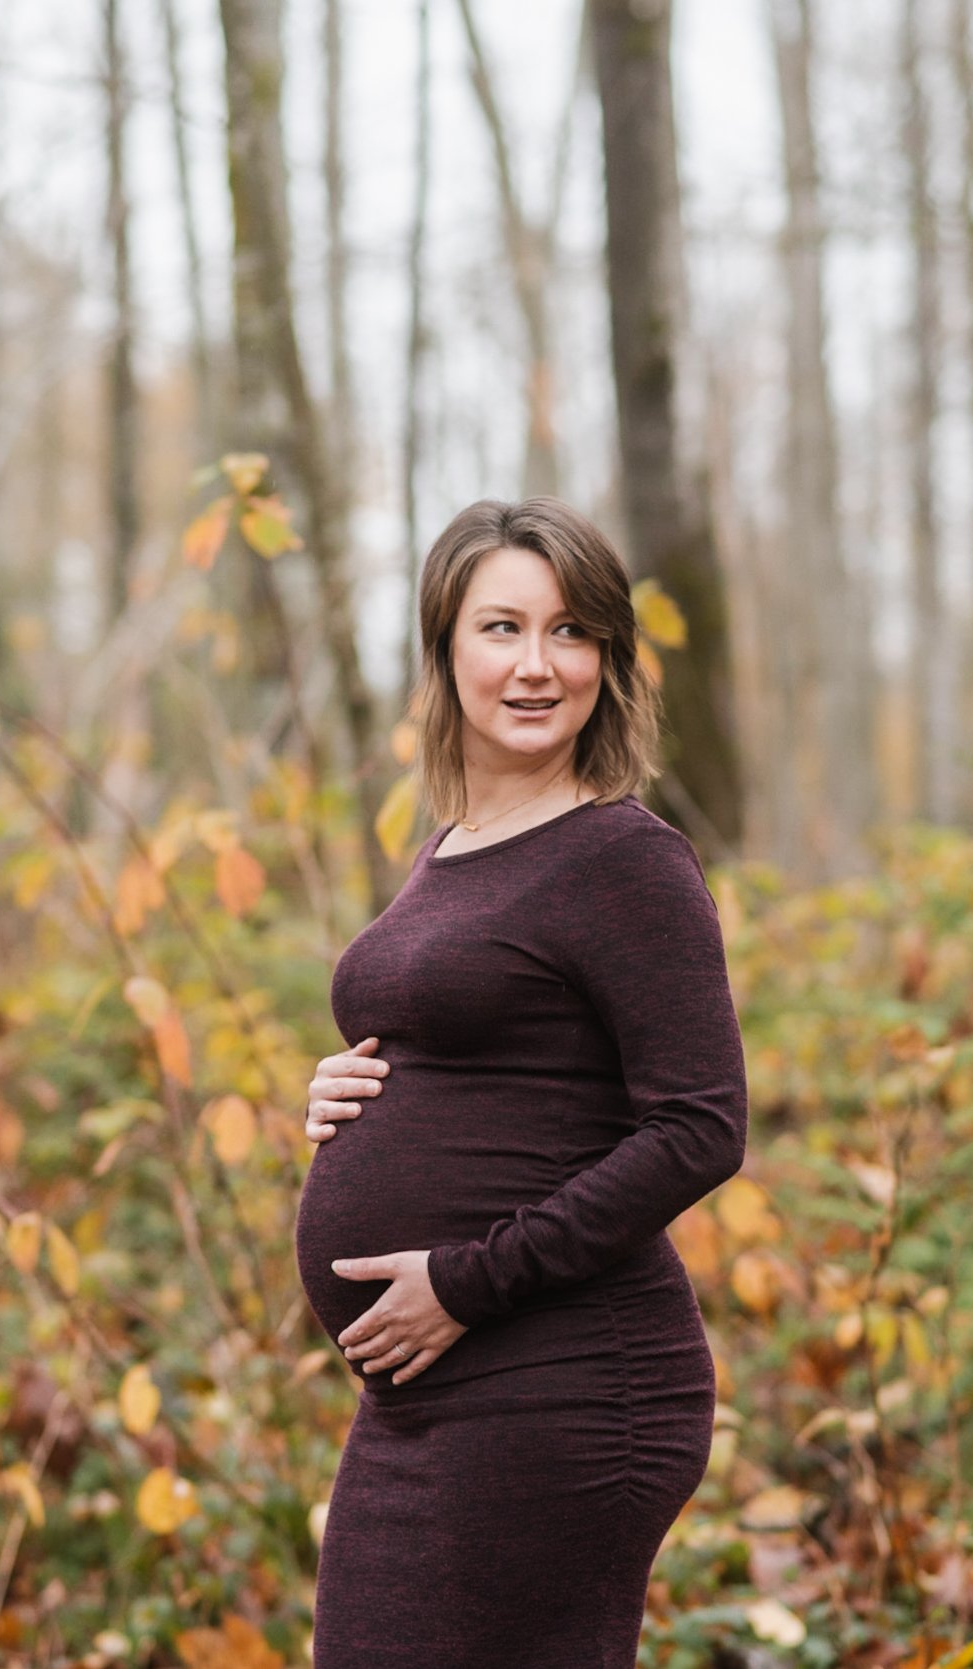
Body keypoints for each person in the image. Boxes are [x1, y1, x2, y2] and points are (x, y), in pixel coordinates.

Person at [290, 497, 750, 1667]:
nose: (537, 666)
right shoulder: (450, 847)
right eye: (502, 628)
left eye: (572, 632)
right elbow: (489, 1053)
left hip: (564, 1381)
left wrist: (466, 1278)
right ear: (446, 650)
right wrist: (342, 1096)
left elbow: (699, 1126)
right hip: (433, 1395)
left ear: (610, 658)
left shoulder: (623, 858)